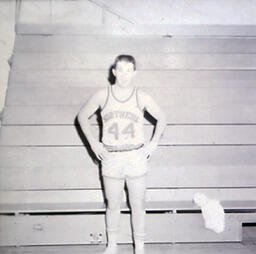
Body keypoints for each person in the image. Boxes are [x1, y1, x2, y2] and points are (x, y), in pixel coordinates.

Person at [78, 55, 166, 254]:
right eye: (121, 70)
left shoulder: (141, 96)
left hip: (135, 156)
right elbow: (82, 116)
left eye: (129, 70)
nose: (125, 74)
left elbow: (163, 118)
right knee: (113, 204)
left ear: (134, 73)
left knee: (138, 204)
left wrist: (153, 144)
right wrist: (93, 143)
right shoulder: (103, 95)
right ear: (114, 72)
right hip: (111, 157)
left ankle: (140, 248)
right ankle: (112, 245)